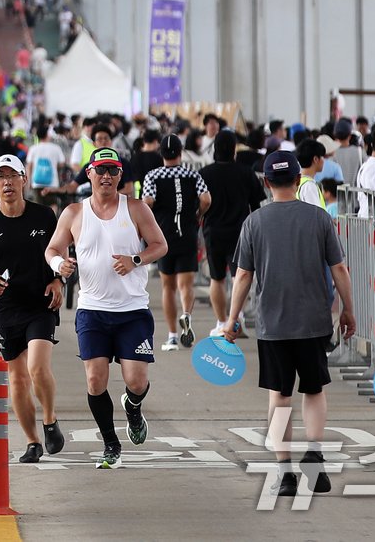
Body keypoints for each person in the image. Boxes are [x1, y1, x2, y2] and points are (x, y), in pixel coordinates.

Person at [223, 150, 356, 497]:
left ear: (266, 183)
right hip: (314, 321)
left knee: (279, 397)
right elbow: (339, 268)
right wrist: (347, 310)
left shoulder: (254, 223)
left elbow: (242, 276)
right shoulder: (319, 218)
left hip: (272, 324)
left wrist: (232, 319)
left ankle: (285, 473)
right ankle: (314, 454)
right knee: (314, 390)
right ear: (299, 181)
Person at [44, 147, 168, 469]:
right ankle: (111, 444)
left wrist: (136, 260)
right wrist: (61, 265)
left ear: (120, 175)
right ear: (89, 174)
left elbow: (160, 245)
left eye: (113, 170)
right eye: (101, 170)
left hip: (132, 310)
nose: (107, 176)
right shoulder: (74, 212)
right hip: (92, 311)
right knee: (95, 381)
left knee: (136, 381)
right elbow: (53, 248)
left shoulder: (137, 209)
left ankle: (133, 407)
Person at [0, 155, 65, 463]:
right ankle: (32, 441)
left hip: (40, 302)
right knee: (17, 378)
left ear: (25, 179)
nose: (7, 182)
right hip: (6, 306)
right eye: (1, 177)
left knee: (37, 367)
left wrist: (58, 281)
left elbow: (60, 252)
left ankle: (49, 420)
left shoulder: (45, 216)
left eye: (13, 176)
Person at [141, 134, 211, 351]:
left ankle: (171, 336)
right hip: (188, 233)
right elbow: (206, 199)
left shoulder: (153, 176)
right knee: (185, 285)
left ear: (161, 153)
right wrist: (198, 214)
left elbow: (148, 202)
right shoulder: (192, 174)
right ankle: (186, 315)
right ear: (181, 153)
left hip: (163, 237)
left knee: (167, 287)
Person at [199, 131, 266, 336]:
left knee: (216, 279)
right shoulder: (246, 173)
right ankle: (236, 319)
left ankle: (221, 323)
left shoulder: (204, 173)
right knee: (241, 276)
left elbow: (199, 203)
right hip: (241, 232)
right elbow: (257, 205)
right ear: (234, 149)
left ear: (214, 149)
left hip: (213, 232)